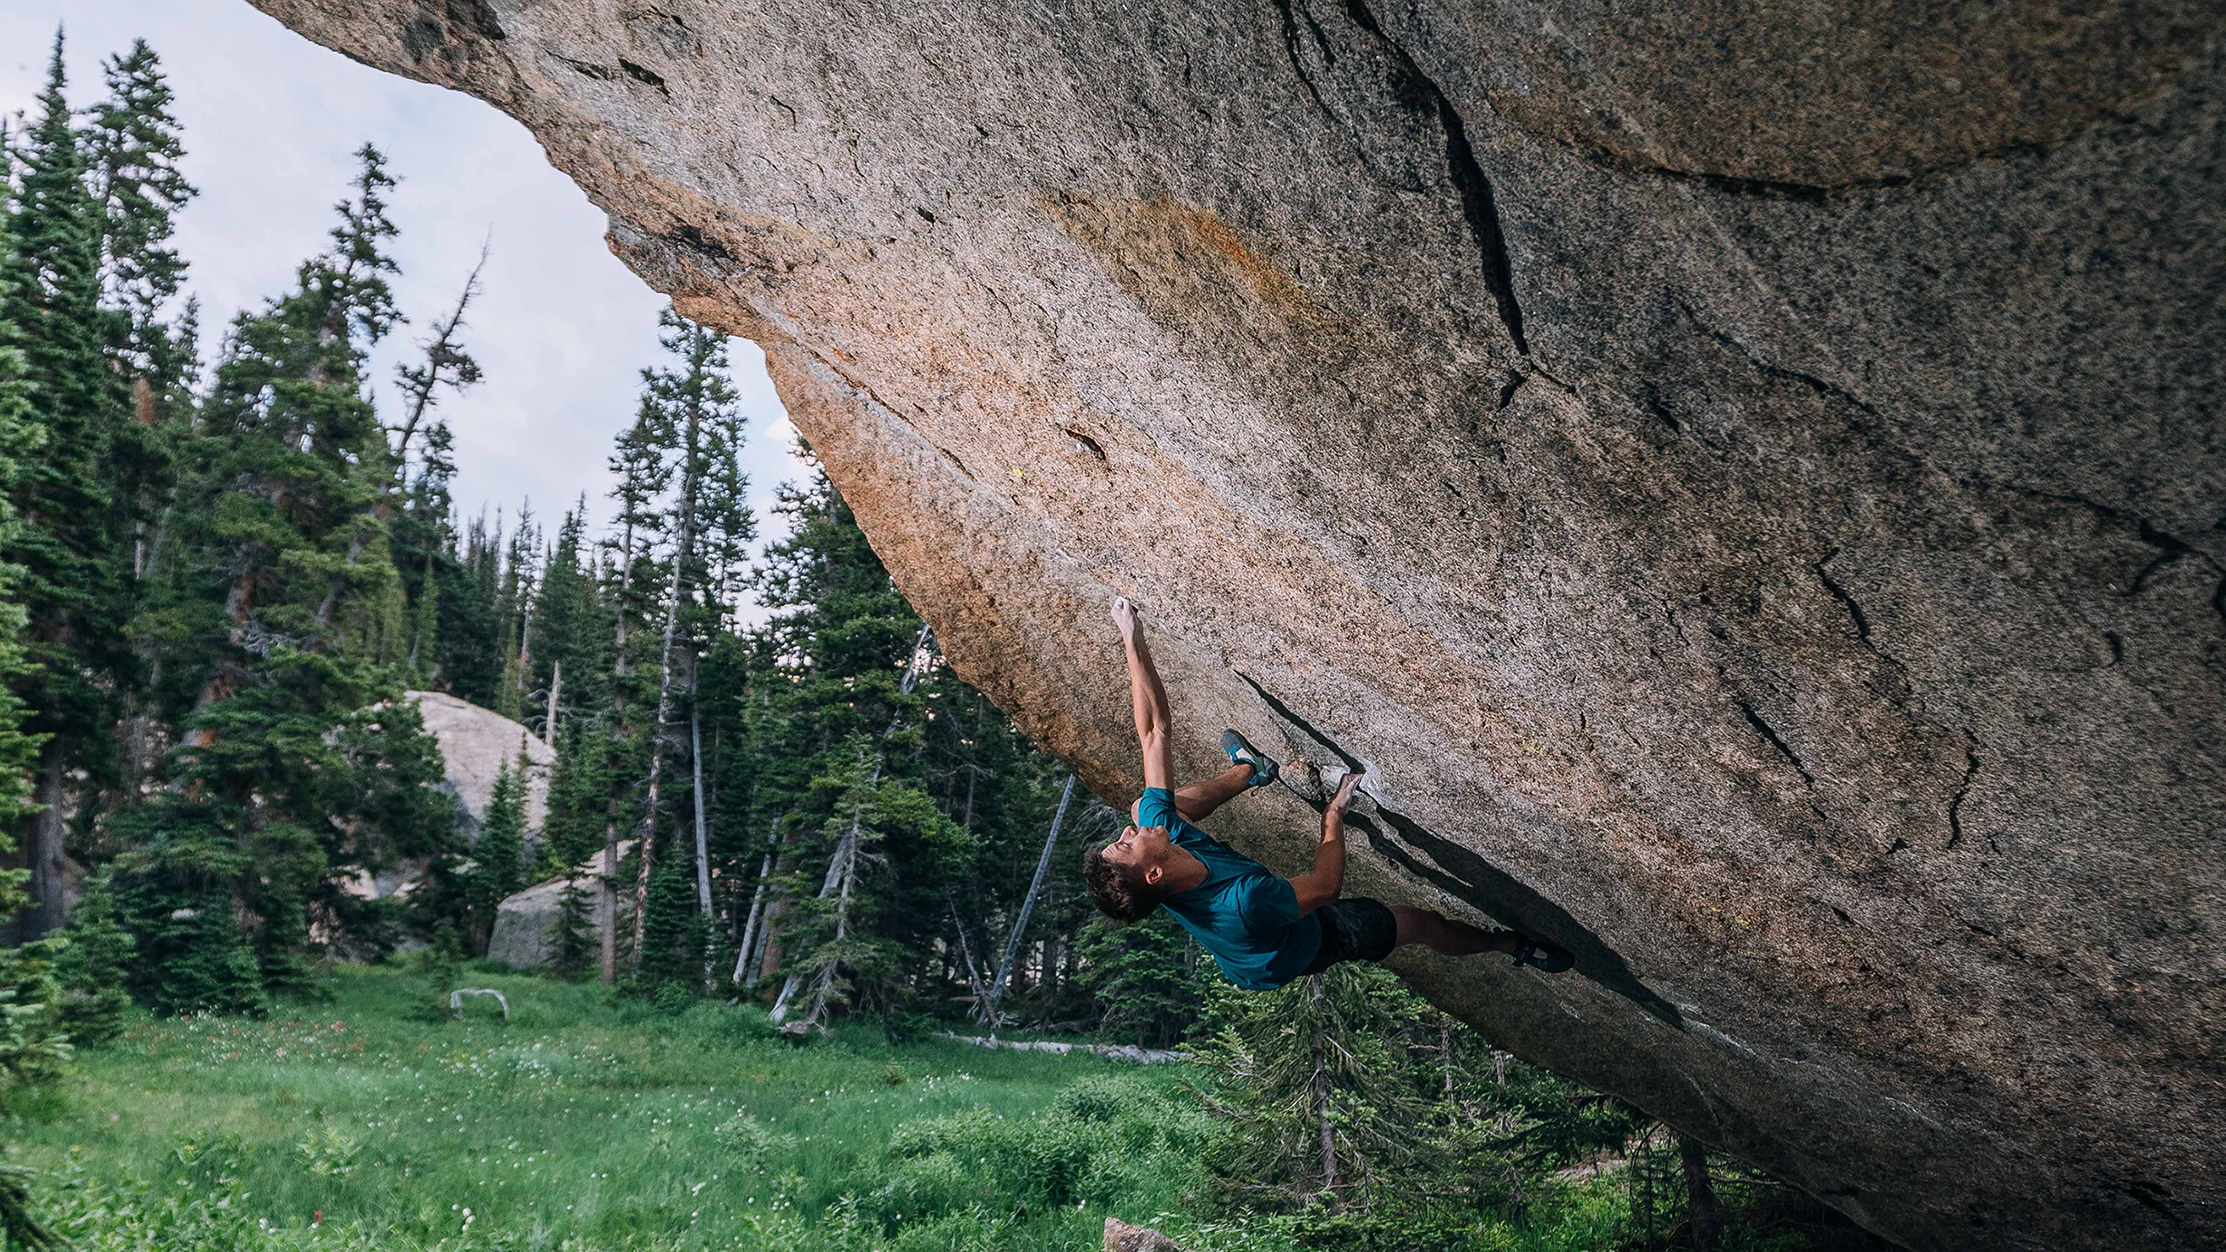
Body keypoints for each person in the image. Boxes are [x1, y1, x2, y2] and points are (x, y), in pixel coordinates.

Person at [1083, 597, 1573, 990]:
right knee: (1419, 924)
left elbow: (1154, 733)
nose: (1128, 832)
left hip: (1213, 893)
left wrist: (1133, 643)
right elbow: (1324, 888)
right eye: (1126, 843)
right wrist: (1333, 817)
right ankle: (1510, 946)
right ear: (1152, 871)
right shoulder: (1245, 903)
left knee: (1149, 803)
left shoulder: (1157, 836)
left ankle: (1251, 770)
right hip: (1295, 949)